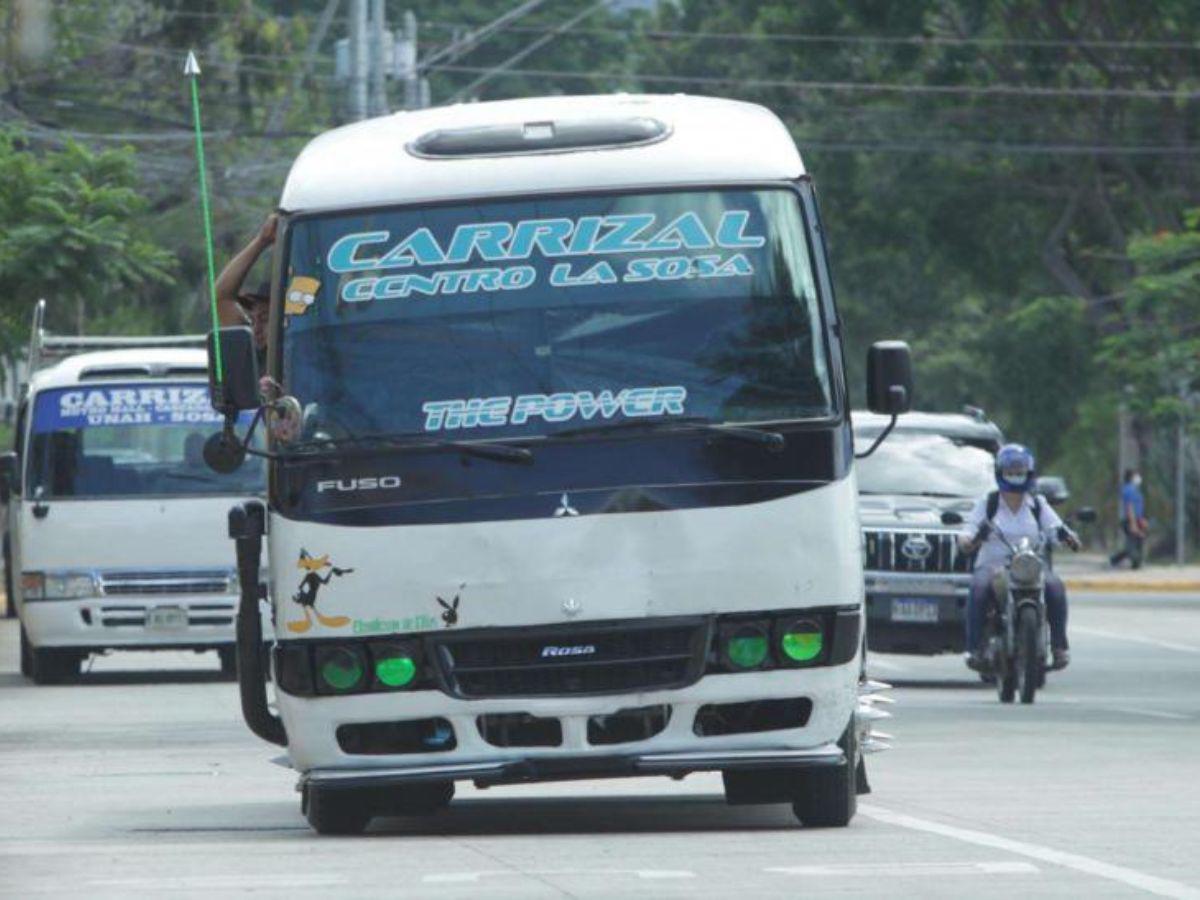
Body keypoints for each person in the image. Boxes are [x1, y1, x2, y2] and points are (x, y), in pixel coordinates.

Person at [958, 443, 1080, 672]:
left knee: (1055, 587)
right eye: (1010, 472)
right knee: (978, 587)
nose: (1015, 477)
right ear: (1000, 473)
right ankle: (973, 648)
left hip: (1029, 567)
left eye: (1020, 471)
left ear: (1029, 473)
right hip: (993, 568)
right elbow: (966, 534)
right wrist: (970, 539)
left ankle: (1059, 647)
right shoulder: (989, 503)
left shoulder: (1037, 504)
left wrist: (1068, 537)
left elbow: (1056, 529)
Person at [215, 213, 277, 366]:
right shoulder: (250, 356)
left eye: (264, 319)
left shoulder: (301, 355)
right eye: (252, 320)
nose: (256, 329)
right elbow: (222, 297)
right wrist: (261, 241)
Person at [1110, 468, 1147, 570]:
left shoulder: (1135, 490)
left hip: (1138, 520)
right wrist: (1133, 524)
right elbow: (1129, 507)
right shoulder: (1128, 489)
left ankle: (1135, 563)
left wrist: (1142, 519)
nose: (1138, 478)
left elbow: (1139, 506)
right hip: (1131, 520)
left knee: (1138, 542)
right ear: (1131, 477)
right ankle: (1117, 560)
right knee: (1131, 546)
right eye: (1136, 476)